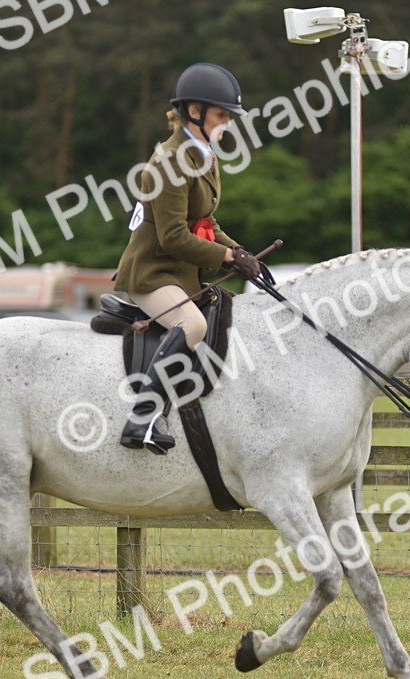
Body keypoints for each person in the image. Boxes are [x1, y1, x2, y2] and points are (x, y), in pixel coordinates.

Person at [114, 62, 263, 454]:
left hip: (182, 275)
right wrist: (226, 255)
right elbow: (174, 237)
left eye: (228, 117)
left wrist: (241, 253)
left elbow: (204, 221)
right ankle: (142, 418)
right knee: (192, 325)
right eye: (220, 115)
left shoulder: (204, 156)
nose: (226, 123)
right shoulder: (167, 162)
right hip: (151, 274)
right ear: (193, 112)